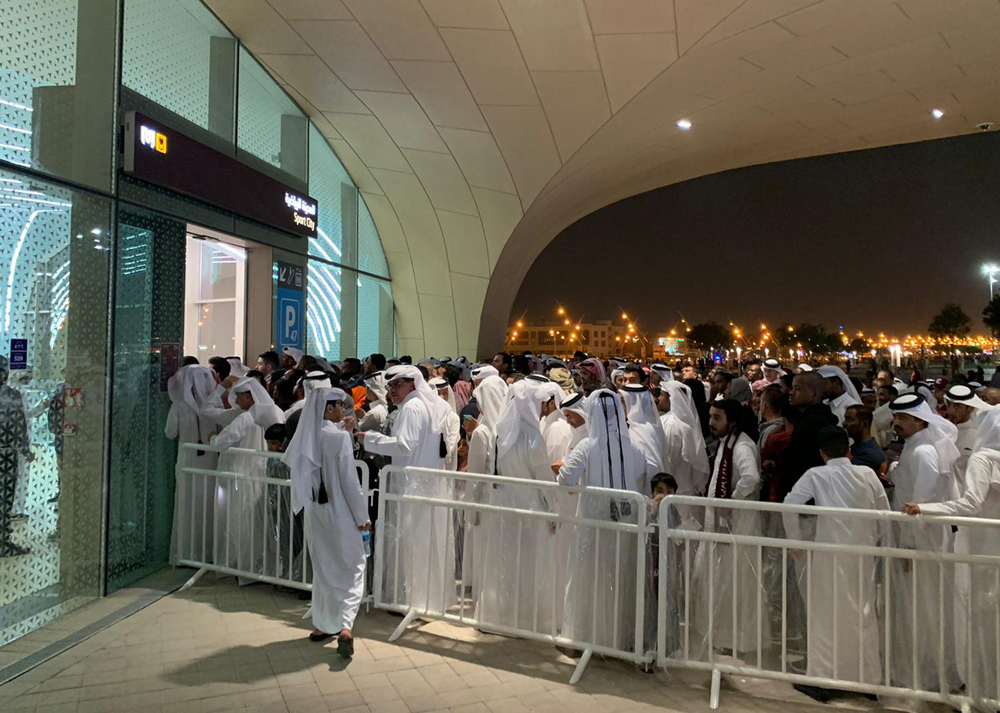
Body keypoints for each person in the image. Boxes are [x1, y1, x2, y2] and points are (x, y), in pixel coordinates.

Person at [782, 426, 890, 701]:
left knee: (825, 615)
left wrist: (796, 542)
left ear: (822, 452)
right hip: (862, 554)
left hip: (829, 555)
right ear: (849, 451)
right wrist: (874, 540)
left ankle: (823, 678)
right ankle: (867, 679)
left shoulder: (817, 474)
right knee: (863, 613)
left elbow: (790, 503)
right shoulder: (866, 473)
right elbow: (884, 512)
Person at [902, 406, 1000, 702]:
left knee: (982, 615)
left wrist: (925, 508)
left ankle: (984, 690)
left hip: (984, 543)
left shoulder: (983, 459)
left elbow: (969, 504)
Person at [556, 389, 651, 651]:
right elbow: (642, 471)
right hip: (625, 522)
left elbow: (565, 479)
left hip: (592, 521)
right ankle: (616, 639)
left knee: (587, 577)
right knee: (618, 577)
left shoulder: (587, 445)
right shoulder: (633, 446)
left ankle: (583, 638)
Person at [359, 365, 453, 613]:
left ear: (412, 384)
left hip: (409, 487)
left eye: (397, 385)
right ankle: (418, 599)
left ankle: (409, 600)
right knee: (418, 545)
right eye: (389, 386)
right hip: (419, 485)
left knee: (410, 546)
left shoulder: (412, 407)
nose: (392, 391)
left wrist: (368, 438)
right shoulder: (422, 405)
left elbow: (404, 446)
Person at [283, 388, 369, 656]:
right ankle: (345, 627)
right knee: (353, 568)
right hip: (341, 513)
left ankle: (321, 626)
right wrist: (363, 518)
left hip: (315, 513)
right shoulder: (338, 439)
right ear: (329, 409)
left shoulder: (305, 437)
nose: (343, 410)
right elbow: (349, 482)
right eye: (339, 406)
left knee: (323, 569)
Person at [886, 392, 963, 693]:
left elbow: (921, 502)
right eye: (896, 417)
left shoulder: (924, 452)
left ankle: (930, 677)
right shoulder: (915, 448)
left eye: (902, 418)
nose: (896, 423)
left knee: (925, 609)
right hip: (918, 542)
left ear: (920, 420)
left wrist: (908, 545)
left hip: (921, 544)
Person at [477, 379, 556, 634]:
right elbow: (544, 476)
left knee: (503, 562)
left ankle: (500, 615)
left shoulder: (498, 432)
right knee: (528, 566)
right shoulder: (532, 435)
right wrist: (553, 508)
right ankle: (525, 620)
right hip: (529, 509)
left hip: (502, 507)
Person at [691, 399, 765, 658]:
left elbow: (751, 478)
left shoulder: (741, 446)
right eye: (710, 416)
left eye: (717, 418)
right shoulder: (727, 443)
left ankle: (734, 638)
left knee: (734, 583)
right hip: (723, 526)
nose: (711, 422)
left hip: (736, 526)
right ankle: (719, 633)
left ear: (732, 421)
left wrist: (731, 501)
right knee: (719, 579)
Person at [210, 377, 285, 583]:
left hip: (243, 477)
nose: (237, 402)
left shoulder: (246, 418)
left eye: (240, 397)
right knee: (264, 523)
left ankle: (247, 568)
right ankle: (265, 566)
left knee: (243, 522)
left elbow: (221, 441)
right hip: (265, 475)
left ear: (249, 397)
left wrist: (211, 439)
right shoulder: (275, 411)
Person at [164, 364, 220, 560]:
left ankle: (186, 552)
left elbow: (170, 433)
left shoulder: (179, 405)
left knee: (187, 505)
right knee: (209, 505)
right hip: (210, 462)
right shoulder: (214, 405)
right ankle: (209, 552)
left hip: (188, 460)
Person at [657, 381, 710, 496]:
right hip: (684, 488)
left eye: (662, 395)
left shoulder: (671, 424)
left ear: (671, 398)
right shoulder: (686, 423)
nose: (659, 398)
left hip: (674, 490)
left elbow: (670, 459)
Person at [0, 359, 31, 557]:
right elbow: (19, 425)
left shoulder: (13, 395)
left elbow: (19, 424)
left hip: (8, 452)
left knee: (5, 497)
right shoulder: (12, 395)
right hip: (7, 453)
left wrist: (25, 449)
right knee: (4, 497)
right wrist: (25, 449)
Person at [787, 372, 837, 486]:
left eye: (797, 389)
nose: (791, 393)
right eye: (792, 388)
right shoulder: (805, 418)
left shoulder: (815, 422)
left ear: (815, 394)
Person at [942, 384, 993, 491]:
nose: (950, 411)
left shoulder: (977, 435)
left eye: (957, 406)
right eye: (949, 405)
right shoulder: (943, 431)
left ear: (970, 409)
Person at [622, 384, 666, 483]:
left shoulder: (643, 429)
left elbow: (652, 465)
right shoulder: (633, 426)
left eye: (623, 402)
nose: (621, 407)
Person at [843, 405, 886, 476]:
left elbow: (846, 473)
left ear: (864, 424)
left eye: (849, 419)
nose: (844, 423)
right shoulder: (857, 446)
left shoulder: (870, 453)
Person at [429, 377, 462, 471]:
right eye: (439, 394)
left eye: (445, 393)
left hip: (445, 467)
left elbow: (449, 449)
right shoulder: (424, 415)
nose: (442, 397)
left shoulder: (453, 418)